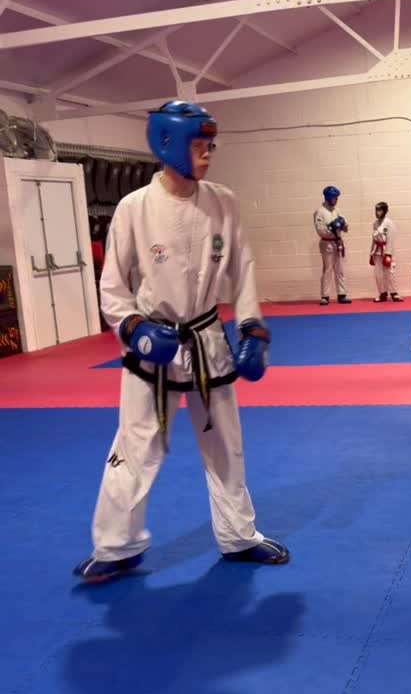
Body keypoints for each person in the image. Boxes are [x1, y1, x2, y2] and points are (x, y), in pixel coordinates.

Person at [74, 100, 289, 583]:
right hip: (153, 347)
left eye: (210, 144)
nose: (208, 153)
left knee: (226, 445)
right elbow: (112, 285)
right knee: (135, 446)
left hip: (206, 340)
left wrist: (252, 328)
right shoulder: (134, 208)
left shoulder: (223, 202)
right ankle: (116, 546)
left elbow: (242, 268)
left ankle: (238, 536)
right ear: (167, 144)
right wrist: (133, 328)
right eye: (199, 145)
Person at [313, 185, 351, 305]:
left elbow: (345, 226)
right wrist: (332, 227)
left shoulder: (336, 210)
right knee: (327, 270)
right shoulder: (319, 212)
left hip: (337, 242)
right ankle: (325, 296)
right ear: (328, 197)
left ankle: (342, 294)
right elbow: (320, 230)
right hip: (327, 243)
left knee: (340, 270)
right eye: (335, 198)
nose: (336, 200)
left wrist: (343, 225)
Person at [370, 201, 403, 302]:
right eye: (377, 210)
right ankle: (382, 293)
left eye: (380, 210)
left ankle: (394, 293)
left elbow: (390, 238)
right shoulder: (375, 223)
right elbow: (373, 239)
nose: (378, 212)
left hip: (386, 250)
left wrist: (388, 254)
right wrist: (371, 253)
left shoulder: (389, 223)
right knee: (377, 273)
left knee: (389, 272)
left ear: (384, 211)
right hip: (377, 251)